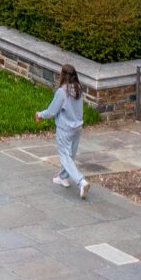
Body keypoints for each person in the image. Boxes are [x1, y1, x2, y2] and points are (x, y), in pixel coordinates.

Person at [38, 63, 88, 198]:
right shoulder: (78, 89)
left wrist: (40, 115)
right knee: (70, 154)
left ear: (63, 75)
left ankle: (81, 181)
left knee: (65, 156)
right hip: (77, 127)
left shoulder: (62, 92)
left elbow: (52, 111)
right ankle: (63, 178)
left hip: (65, 129)